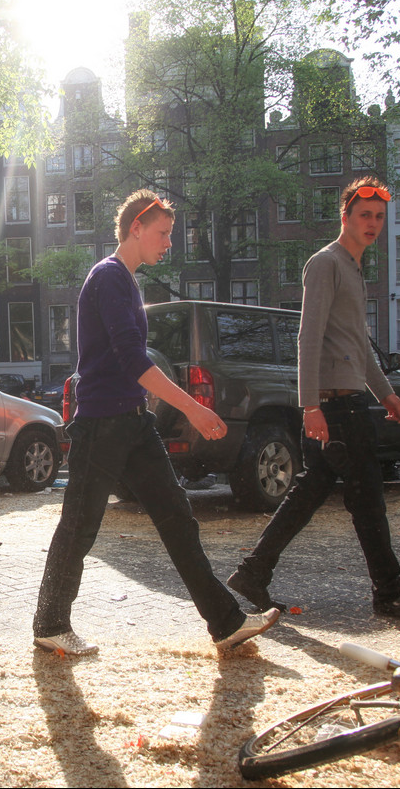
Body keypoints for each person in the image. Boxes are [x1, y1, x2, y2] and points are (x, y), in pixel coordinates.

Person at [32, 190, 281, 657]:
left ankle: (224, 623)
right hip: (102, 423)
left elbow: (132, 361)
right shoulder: (108, 277)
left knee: (177, 518)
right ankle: (50, 623)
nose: (170, 242)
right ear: (136, 229)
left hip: (132, 420)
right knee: (80, 525)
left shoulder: (128, 282)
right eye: (164, 233)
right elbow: (131, 360)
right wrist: (193, 407)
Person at [225, 177, 400, 622]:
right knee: (368, 501)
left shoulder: (352, 266)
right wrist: (310, 407)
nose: (373, 224)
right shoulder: (325, 264)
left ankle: (252, 573)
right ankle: (390, 593)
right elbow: (308, 337)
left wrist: (386, 393)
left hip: (349, 404)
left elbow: (356, 345)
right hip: (336, 409)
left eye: (379, 217)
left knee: (309, 497)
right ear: (345, 217)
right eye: (364, 215)